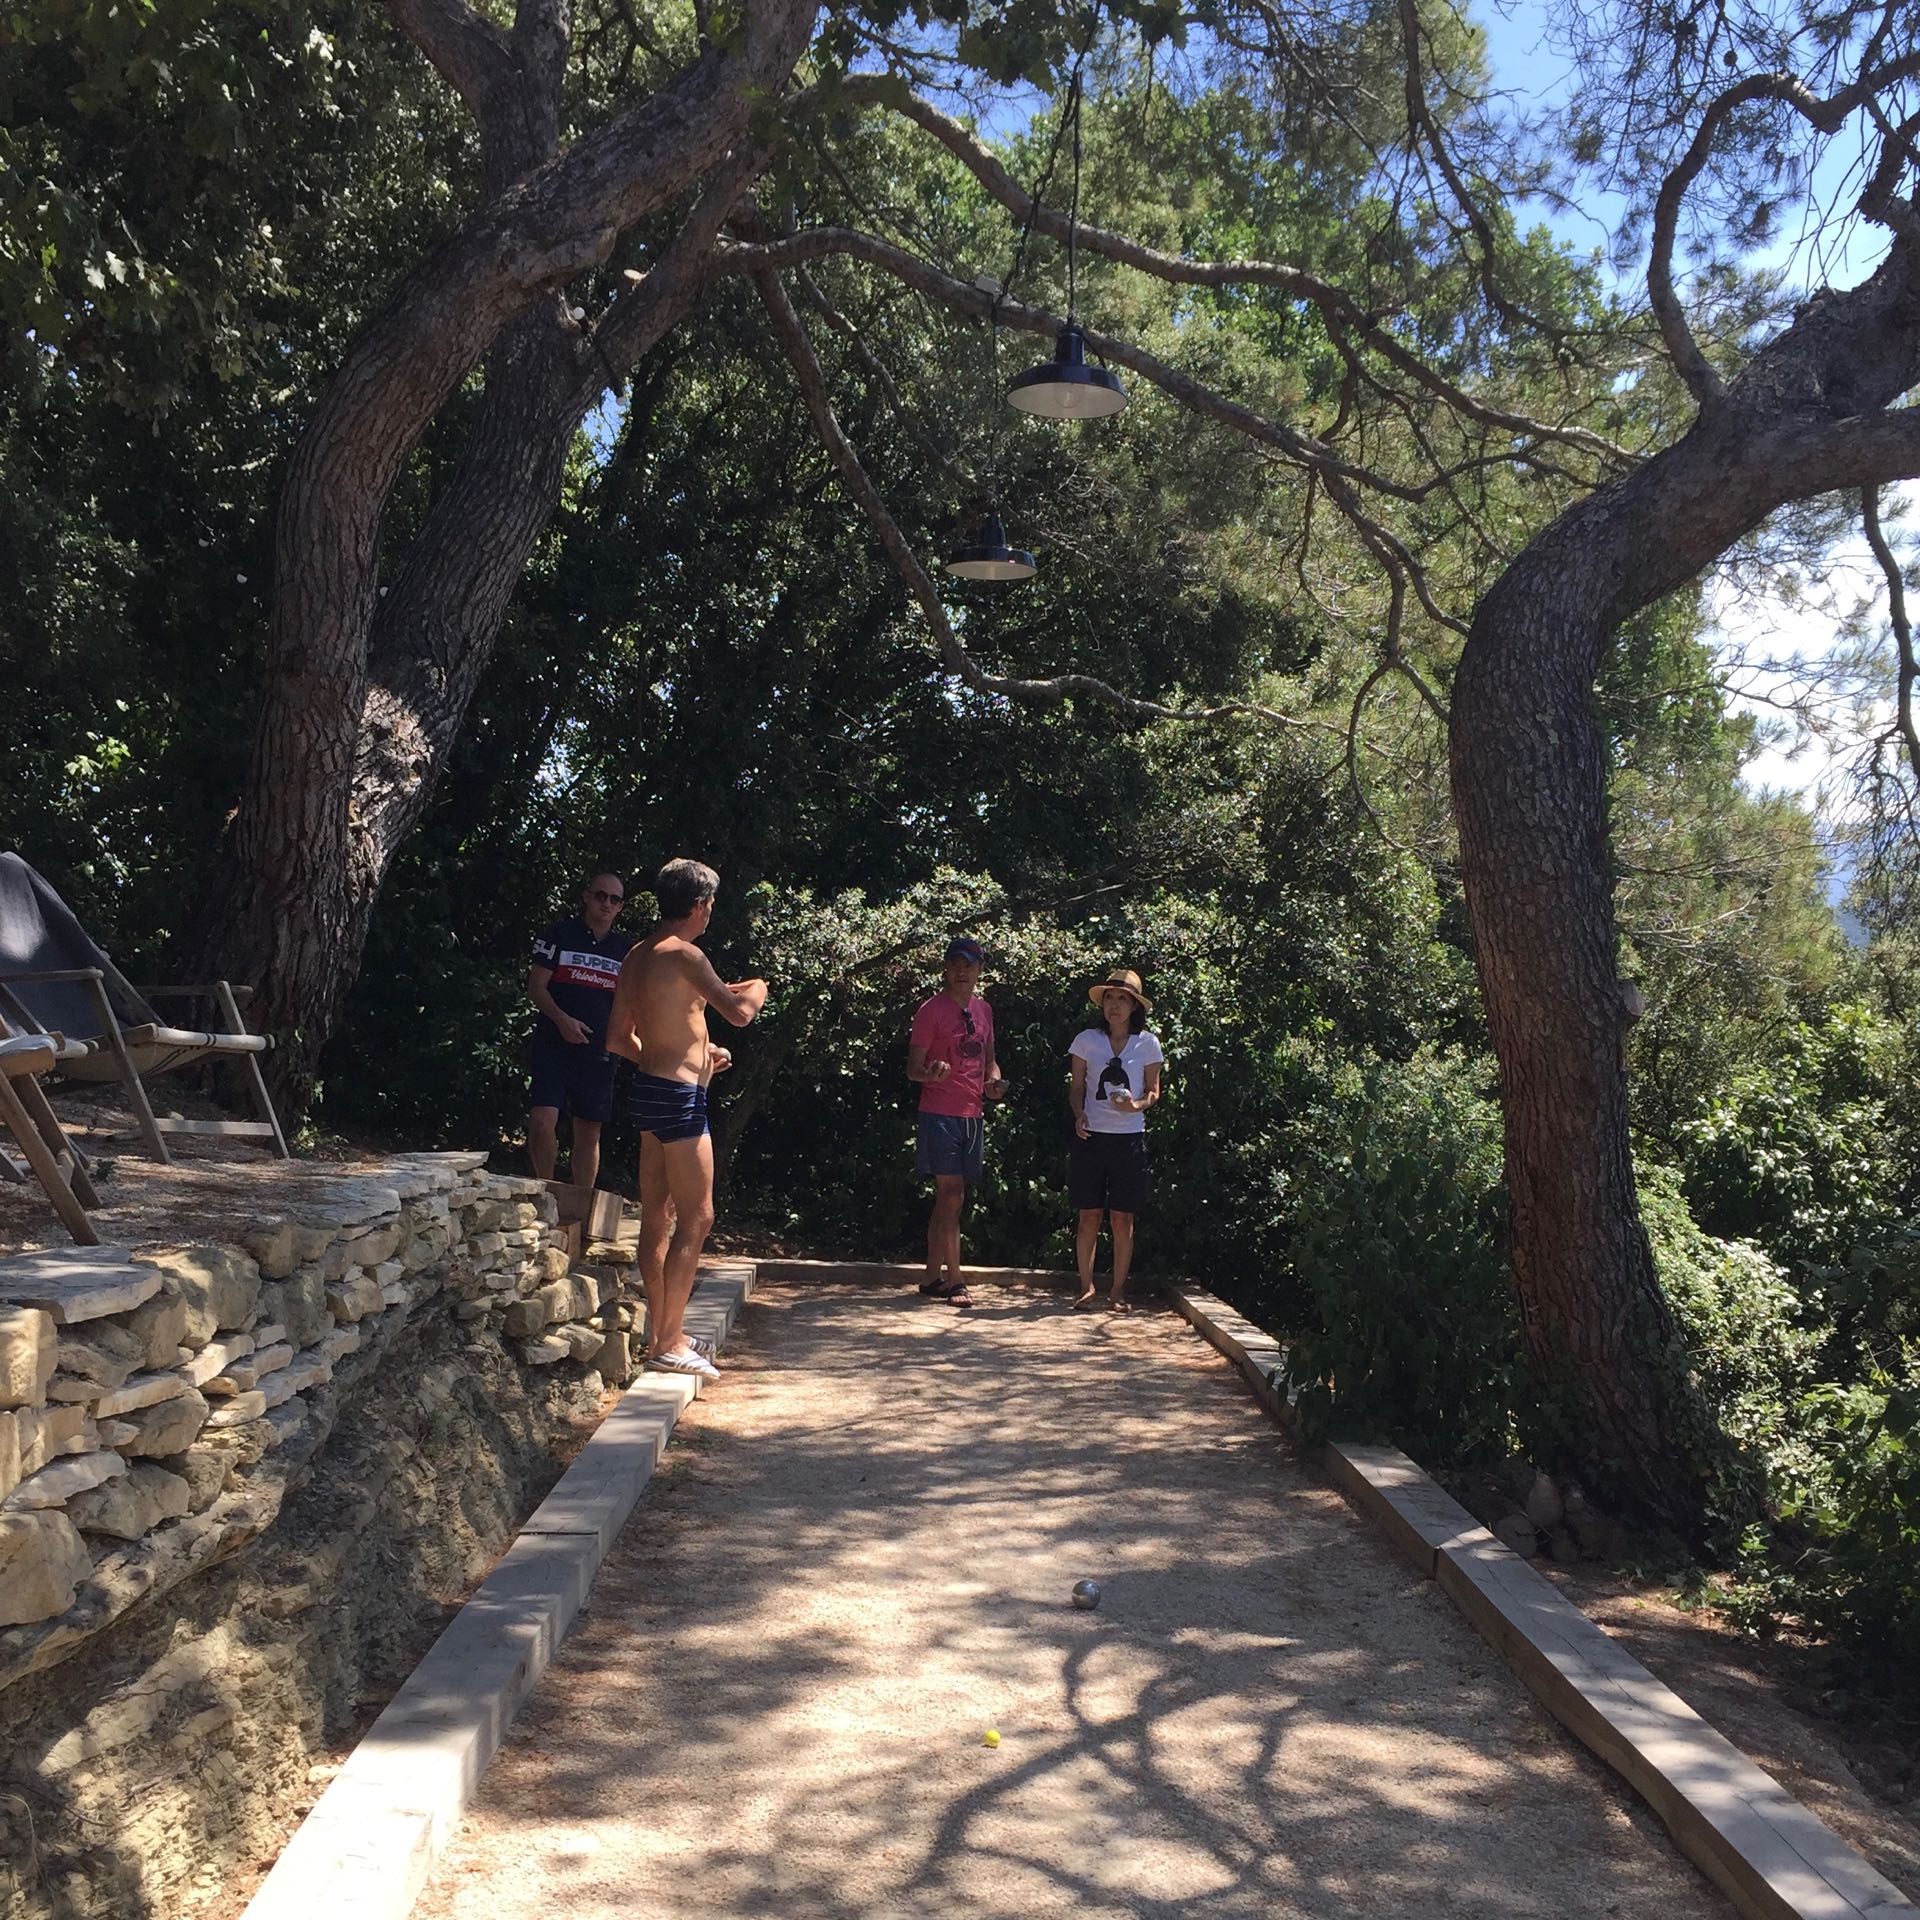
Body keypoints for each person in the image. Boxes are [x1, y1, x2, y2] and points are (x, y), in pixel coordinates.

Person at [605, 858, 767, 1378]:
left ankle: (662, 1331)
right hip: (678, 1100)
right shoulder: (687, 955)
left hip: (652, 1091)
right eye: (711, 905)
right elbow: (739, 1012)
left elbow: (618, 1039)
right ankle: (670, 1342)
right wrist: (759, 983)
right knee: (698, 1218)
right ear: (699, 906)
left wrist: (691, 1062)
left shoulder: (636, 955)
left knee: (658, 1215)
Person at [907, 935, 1007, 1308]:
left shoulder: (984, 1011)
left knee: (947, 1202)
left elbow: (989, 1059)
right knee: (953, 1195)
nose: (962, 970)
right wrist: (930, 1074)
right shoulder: (930, 1011)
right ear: (946, 967)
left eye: (970, 963)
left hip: (972, 1113)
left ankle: (932, 1276)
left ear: (980, 969)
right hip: (939, 1113)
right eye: (956, 963)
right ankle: (956, 1281)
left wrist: (994, 1082)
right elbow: (913, 1069)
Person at [527, 870, 636, 1189]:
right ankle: (543, 1191)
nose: (606, 903)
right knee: (542, 1120)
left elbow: (633, 1004)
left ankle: (581, 1205)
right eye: (601, 895)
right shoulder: (559, 934)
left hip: (599, 1052)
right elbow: (536, 988)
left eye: (614, 899)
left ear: (620, 907)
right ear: (587, 896)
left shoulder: (626, 951)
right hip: (553, 1045)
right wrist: (562, 1020)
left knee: (589, 1131)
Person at [1068, 968, 1164, 1311]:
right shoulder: (1086, 1040)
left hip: (1129, 1139)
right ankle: (1086, 1286)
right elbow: (1077, 1087)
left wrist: (1135, 1105)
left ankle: (1118, 1291)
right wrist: (1078, 1114)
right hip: (1091, 1137)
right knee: (1088, 1215)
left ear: (1134, 1006)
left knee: (1123, 1218)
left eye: (1122, 998)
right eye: (1110, 997)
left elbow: (1154, 1092)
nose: (1115, 1005)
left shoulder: (1148, 1043)